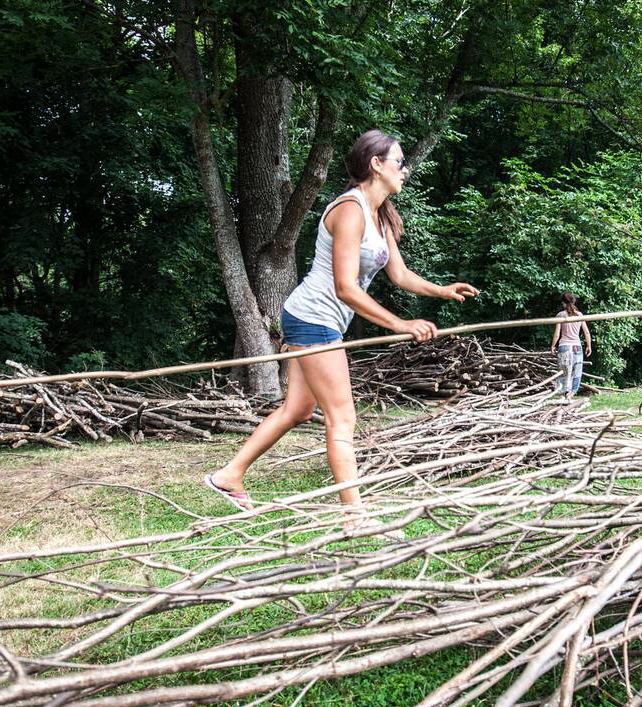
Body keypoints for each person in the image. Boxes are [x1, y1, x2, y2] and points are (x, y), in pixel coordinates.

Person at [204, 130, 479, 533]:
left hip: (316, 319)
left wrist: (441, 290)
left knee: (298, 409)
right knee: (342, 417)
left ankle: (228, 476)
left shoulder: (379, 214)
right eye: (399, 161)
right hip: (313, 319)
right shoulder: (349, 210)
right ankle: (354, 516)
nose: (405, 169)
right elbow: (345, 288)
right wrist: (401, 324)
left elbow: (399, 274)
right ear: (376, 165)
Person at [549, 292, 592, 401]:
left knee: (564, 372)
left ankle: (564, 394)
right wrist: (589, 346)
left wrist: (553, 345)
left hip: (565, 346)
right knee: (576, 373)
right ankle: (572, 393)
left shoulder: (560, 315)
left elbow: (557, 334)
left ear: (563, 302)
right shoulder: (579, 315)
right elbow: (586, 332)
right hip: (577, 347)